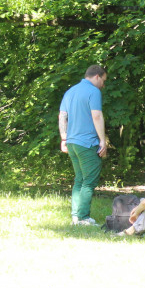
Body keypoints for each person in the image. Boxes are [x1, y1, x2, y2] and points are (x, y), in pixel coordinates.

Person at [58, 64, 109, 226]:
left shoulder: (70, 91)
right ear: (97, 76)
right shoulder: (93, 91)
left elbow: (62, 116)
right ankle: (83, 217)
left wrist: (64, 139)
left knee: (79, 179)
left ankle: (75, 216)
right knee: (89, 181)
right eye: (103, 81)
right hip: (87, 143)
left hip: (72, 142)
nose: (103, 85)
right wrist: (102, 140)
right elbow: (97, 116)